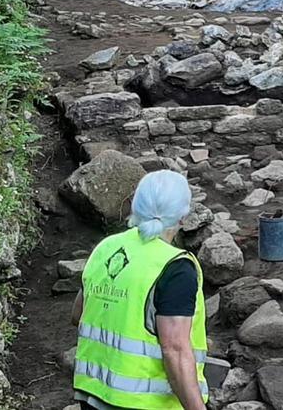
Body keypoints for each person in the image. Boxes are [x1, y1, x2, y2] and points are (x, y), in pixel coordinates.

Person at [71, 171, 208, 410]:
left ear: (136, 207)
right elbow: (174, 350)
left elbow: (78, 316)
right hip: (144, 403)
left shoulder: (106, 248)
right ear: (183, 217)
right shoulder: (176, 268)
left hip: (93, 394)